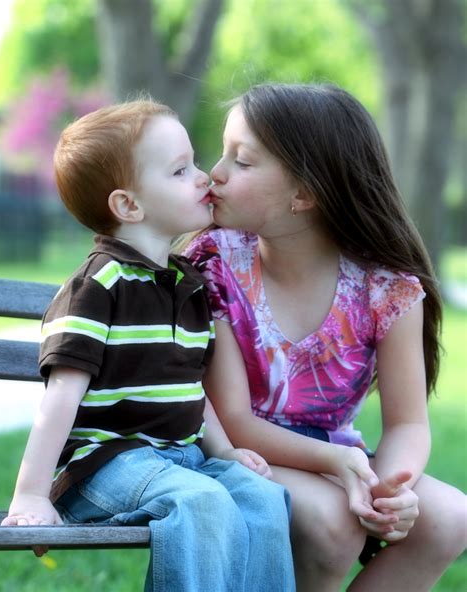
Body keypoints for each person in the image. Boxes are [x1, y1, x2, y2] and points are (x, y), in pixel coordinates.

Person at [1, 99, 297, 592]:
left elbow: (188, 387)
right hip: (106, 466)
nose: (204, 177)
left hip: (181, 459)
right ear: (129, 206)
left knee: (263, 498)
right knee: (200, 502)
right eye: (181, 171)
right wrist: (30, 493)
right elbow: (59, 401)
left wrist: (225, 452)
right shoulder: (98, 287)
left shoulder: (188, 284)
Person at [184, 83, 467, 591]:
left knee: (449, 517)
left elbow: (408, 423)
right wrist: (345, 467)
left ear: (305, 194)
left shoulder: (387, 289)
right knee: (333, 522)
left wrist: (388, 488)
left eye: (242, 162)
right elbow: (234, 421)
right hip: (234, 449)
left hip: (336, 457)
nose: (215, 174)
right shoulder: (218, 264)